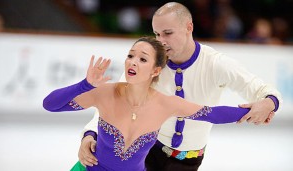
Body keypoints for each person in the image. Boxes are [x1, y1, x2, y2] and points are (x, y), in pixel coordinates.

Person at [77, 2, 282, 171]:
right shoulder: (150, 61)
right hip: (147, 152)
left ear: (189, 27)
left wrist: (269, 102)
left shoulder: (215, 63)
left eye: (167, 33)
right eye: (157, 34)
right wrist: (90, 134)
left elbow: (263, 90)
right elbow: (115, 101)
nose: (161, 41)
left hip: (187, 161)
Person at [44, 36, 252, 171]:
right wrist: (85, 84)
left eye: (142, 59)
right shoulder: (104, 93)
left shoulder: (165, 104)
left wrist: (253, 110)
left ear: (155, 71)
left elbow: (212, 114)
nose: (133, 62)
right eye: (130, 56)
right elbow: (50, 104)